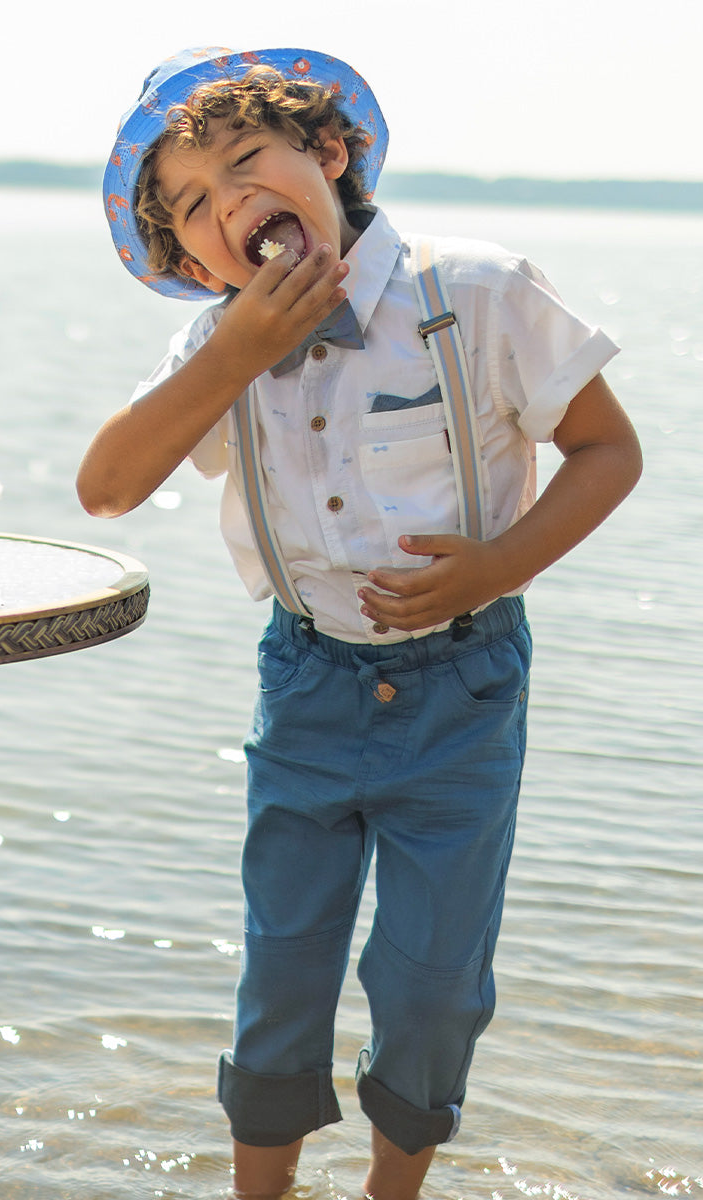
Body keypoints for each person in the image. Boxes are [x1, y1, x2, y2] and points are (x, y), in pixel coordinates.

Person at [78, 46, 642, 1200]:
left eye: (249, 163)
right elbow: (107, 486)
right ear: (192, 259)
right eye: (194, 205)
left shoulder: (473, 294)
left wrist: (497, 564)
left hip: (465, 691)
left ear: (328, 156)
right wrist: (236, 352)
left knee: (432, 976)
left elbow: (607, 450)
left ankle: (396, 1189)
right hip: (309, 687)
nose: (231, 202)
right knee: (284, 965)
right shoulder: (216, 347)